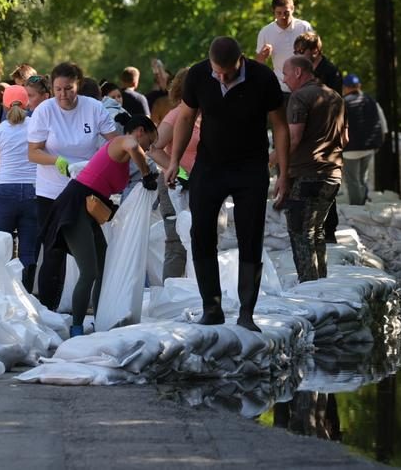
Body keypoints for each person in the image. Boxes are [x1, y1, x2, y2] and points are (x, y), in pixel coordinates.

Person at [164, 37, 289, 332]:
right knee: (201, 232)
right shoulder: (197, 75)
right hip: (210, 165)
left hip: (250, 167)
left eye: (228, 73)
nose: (221, 77)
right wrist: (174, 161)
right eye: (217, 72)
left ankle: (247, 312)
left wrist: (285, 172)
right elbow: (185, 117)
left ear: (241, 61)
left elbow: (280, 126)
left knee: (250, 235)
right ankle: (212, 307)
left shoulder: (262, 78)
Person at [40, 116, 159, 336]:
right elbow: (134, 145)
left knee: (103, 267)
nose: (148, 149)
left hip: (88, 209)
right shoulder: (122, 141)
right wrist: (147, 174)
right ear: (140, 131)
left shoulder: (121, 154)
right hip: (75, 206)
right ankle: (76, 328)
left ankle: (99, 321)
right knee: (89, 272)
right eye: (149, 142)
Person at [27, 62, 119, 309]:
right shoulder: (45, 111)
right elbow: (33, 153)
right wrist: (55, 160)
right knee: (53, 252)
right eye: (57, 89)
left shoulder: (94, 108)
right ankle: (48, 309)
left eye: (69, 89)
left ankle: (97, 307)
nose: (63, 95)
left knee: (95, 253)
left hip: (85, 192)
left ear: (79, 85)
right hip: (51, 191)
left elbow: (115, 143)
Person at [281, 56, 346, 281]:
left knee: (300, 232)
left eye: (285, 73)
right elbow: (345, 137)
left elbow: (294, 138)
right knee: (316, 231)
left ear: (298, 72)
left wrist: (273, 158)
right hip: (333, 174)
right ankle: (321, 285)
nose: (284, 79)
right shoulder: (335, 96)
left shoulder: (299, 97)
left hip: (308, 175)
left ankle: (309, 288)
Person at [0, 84, 43, 290]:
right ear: (27, 104)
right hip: (34, 191)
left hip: (6, 191)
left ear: (4, 105)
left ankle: (2, 293)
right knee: (28, 252)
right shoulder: (37, 125)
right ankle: (26, 294)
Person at [152, 68, 201, 280]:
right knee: (176, 243)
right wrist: (178, 170)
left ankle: (200, 293)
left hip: (204, 185)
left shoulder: (207, 114)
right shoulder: (175, 115)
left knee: (203, 240)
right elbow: (154, 148)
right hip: (176, 186)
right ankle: (170, 296)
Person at [341, 74, 387, 205]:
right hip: (369, 147)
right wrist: (378, 143)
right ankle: (364, 200)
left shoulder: (342, 103)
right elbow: (383, 124)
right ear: (359, 86)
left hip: (350, 150)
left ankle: (357, 207)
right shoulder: (371, 101)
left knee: (353, 180)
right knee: (362, 177)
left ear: (345, 88)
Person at [256, 0, 314, 92]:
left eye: (286, 13)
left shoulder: (304, 27)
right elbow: (258, 64)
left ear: (292, 9)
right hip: (280, 87)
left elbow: (315, 55)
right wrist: (262, 56)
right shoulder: (265, 32)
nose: (283, 17)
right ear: (273, 11)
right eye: (279, 13)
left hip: (305, 86)